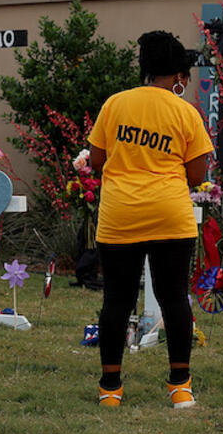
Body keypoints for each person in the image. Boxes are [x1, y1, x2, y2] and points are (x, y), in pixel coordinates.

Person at [86, 30, 213, 408]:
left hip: (119, 215)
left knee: (116, 301)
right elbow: (197, 175)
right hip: (170, 216)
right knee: (174, 298)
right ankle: (180, 386)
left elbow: (95, 162)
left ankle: (110, 389)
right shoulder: (186, 113)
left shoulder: (115, 105)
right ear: (177, 76)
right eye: (185, 77)